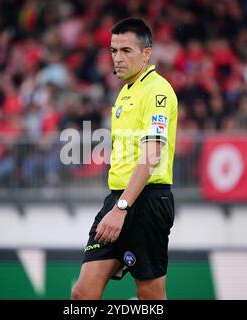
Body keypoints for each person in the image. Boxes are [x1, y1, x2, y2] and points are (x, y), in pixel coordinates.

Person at [71, 18, 178, 300]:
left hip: (147, 201)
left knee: (150, 298)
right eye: (113, 50)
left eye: (126, 50)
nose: (117, 58)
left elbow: (152, 154)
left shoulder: (156, 91)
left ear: (146, 53)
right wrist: (117, 204)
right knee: (82, 293)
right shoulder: (125, 91)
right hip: (119, 198)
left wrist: (121, 208)